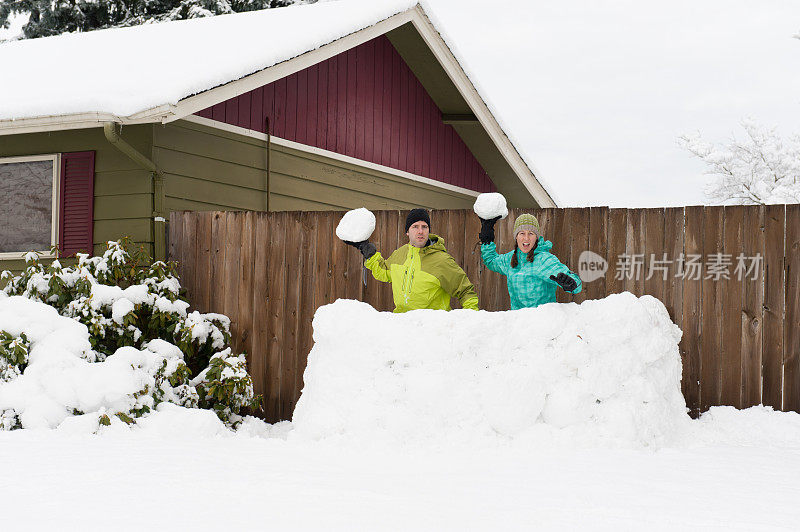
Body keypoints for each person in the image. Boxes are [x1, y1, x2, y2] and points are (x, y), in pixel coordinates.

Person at [345, 208, 479, 312]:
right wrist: (368, 252)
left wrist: (471, 321)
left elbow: (466, 291)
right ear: (407, 232)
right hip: (404, 325)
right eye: (415, 227)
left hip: (433, 330)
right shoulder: (400, 254)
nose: (420, 231)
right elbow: (384, 272)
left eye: (424, 227)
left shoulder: (442, 260)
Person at [478, 213, 581, 309]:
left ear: (536, 237)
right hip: (519, 322)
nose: (526, 238)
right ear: (516, 237)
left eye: (531, 233)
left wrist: (572, 283)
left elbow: (574, 283)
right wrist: (487, 239)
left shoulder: (544, 260)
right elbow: (491, 261)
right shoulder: (510, 259)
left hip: (542, 322)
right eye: (522, 233)